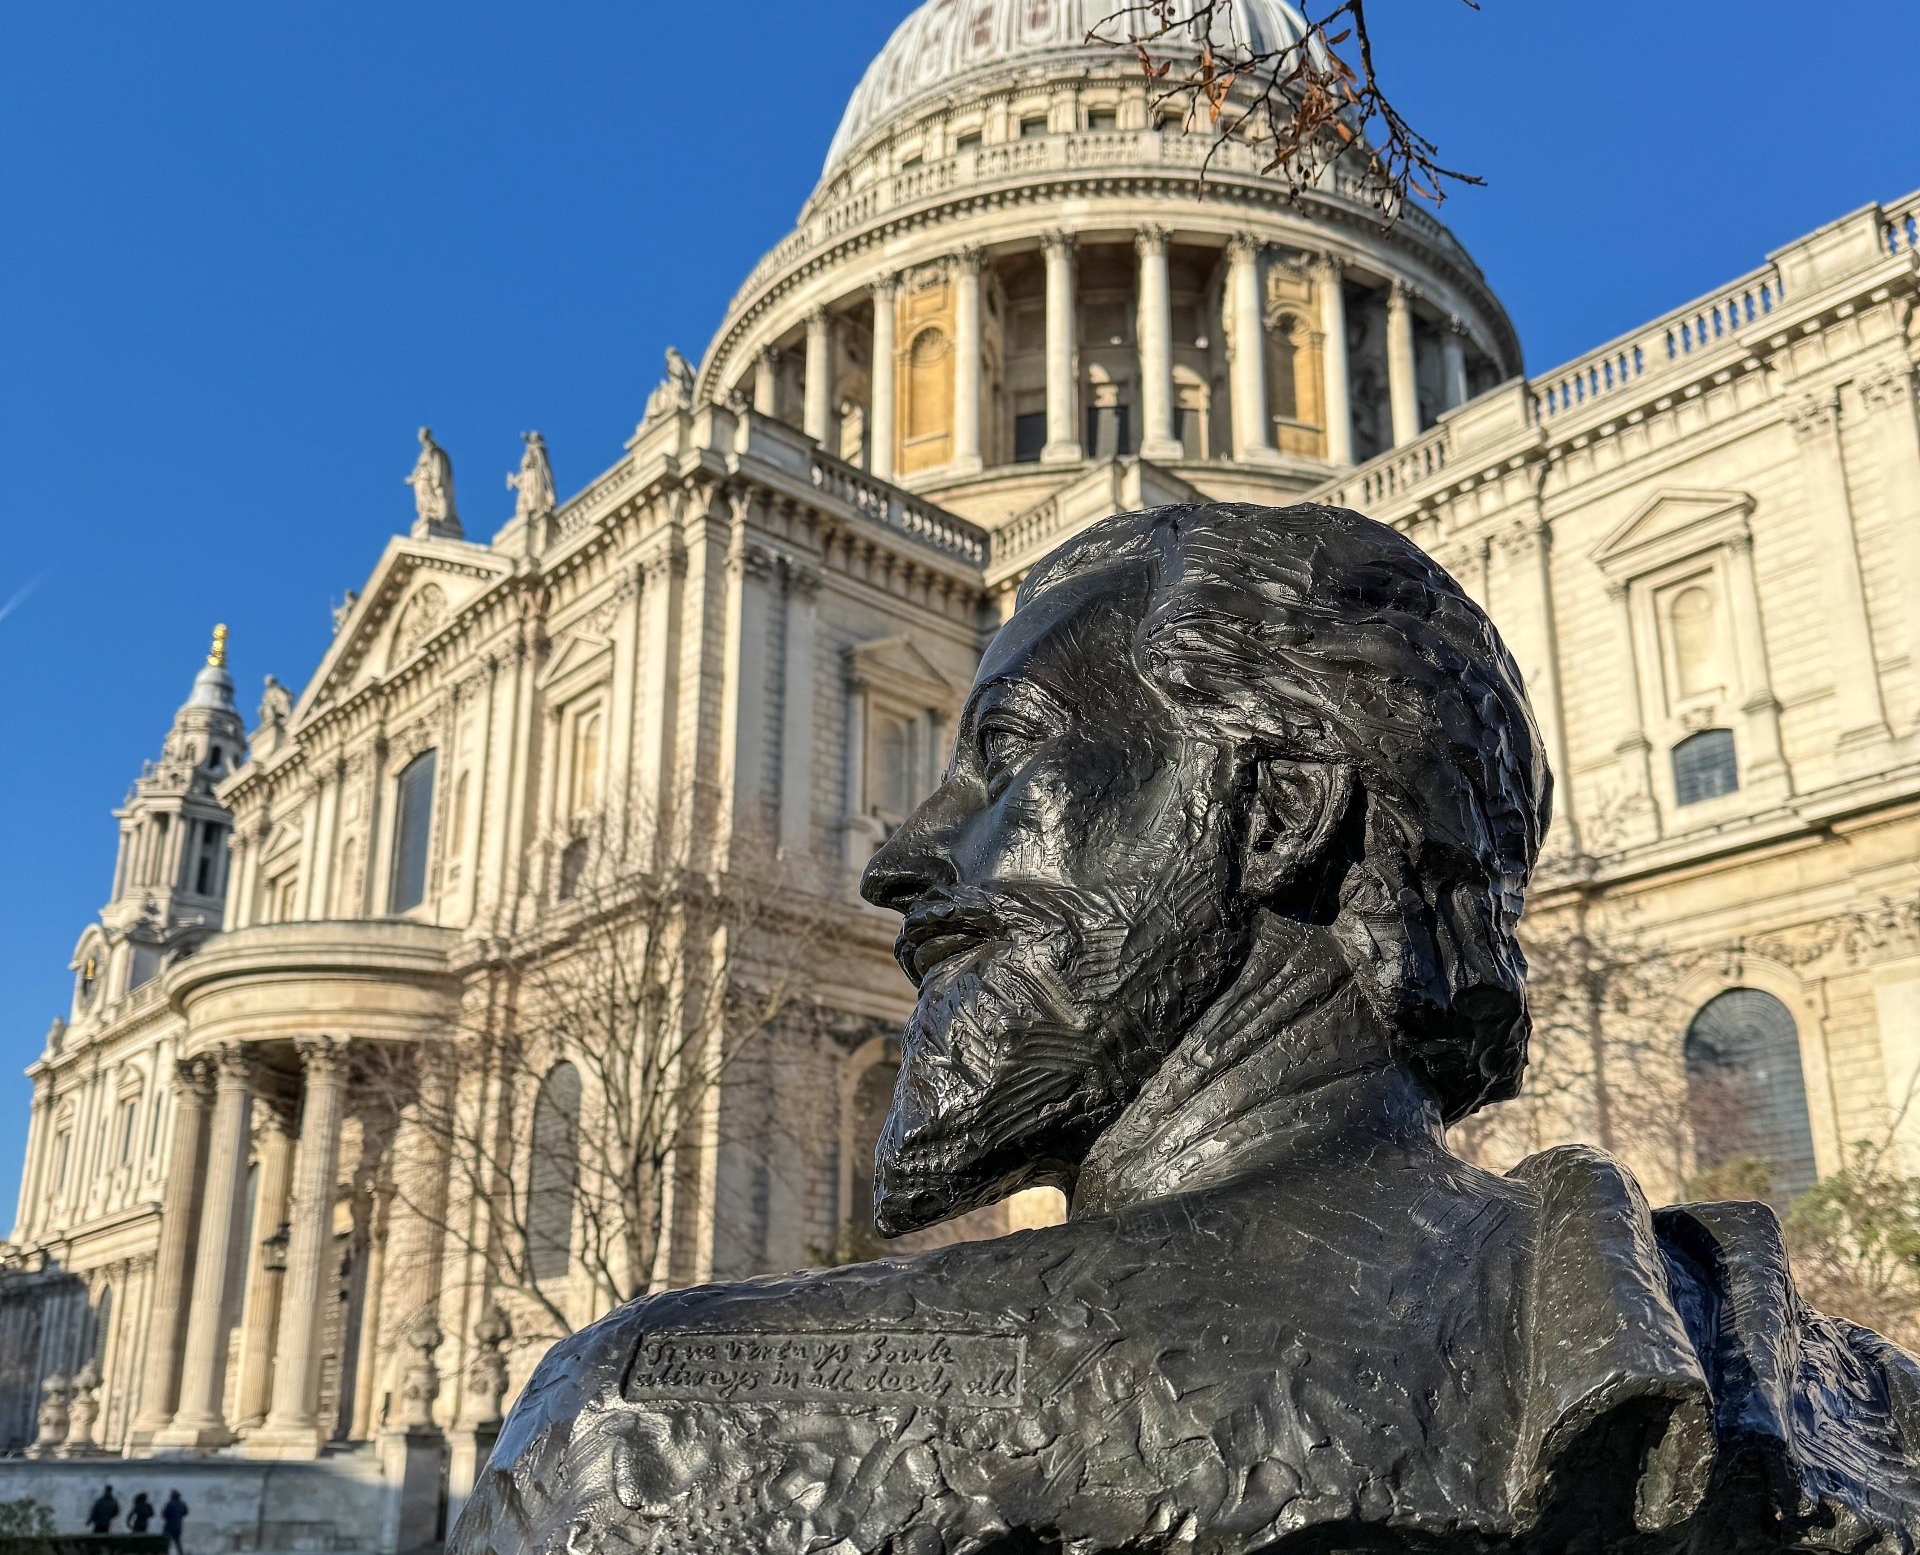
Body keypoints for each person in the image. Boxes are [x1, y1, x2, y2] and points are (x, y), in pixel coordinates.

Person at [451, 506, 1920, 1555]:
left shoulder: (656, 1418)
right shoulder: (1846, 1412)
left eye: (1009, 758)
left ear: (1280, 808)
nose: (898, 857)